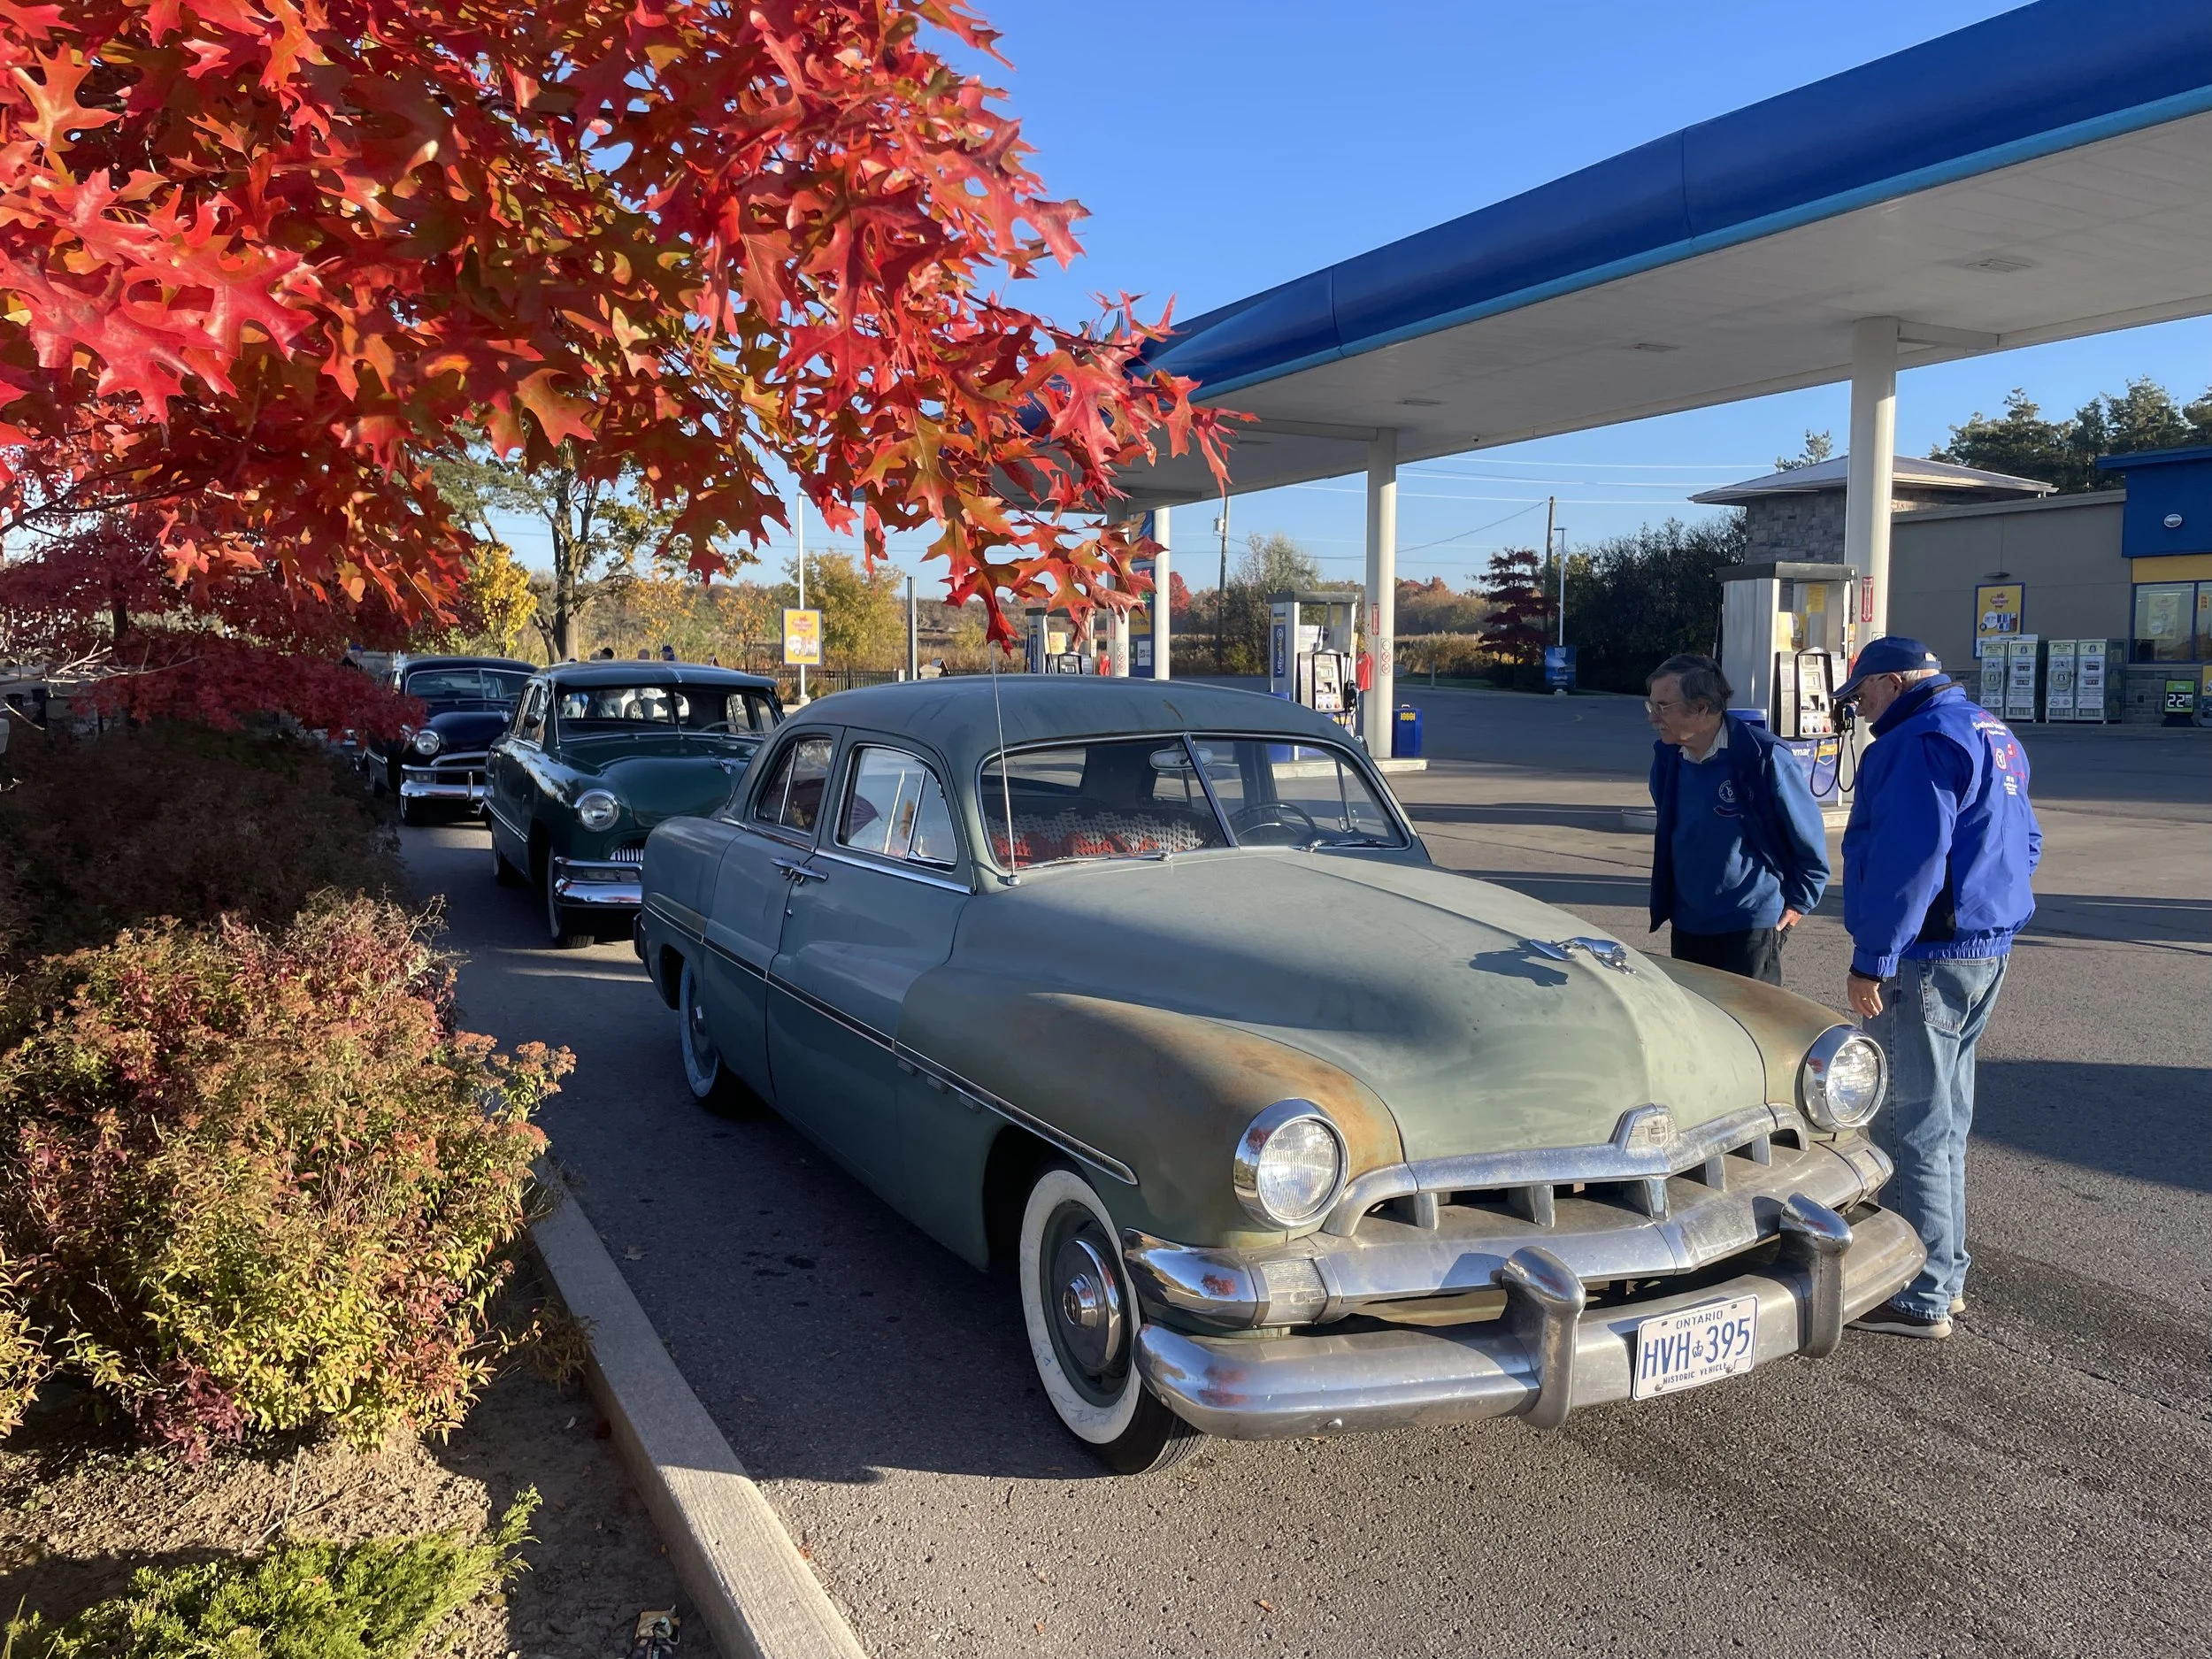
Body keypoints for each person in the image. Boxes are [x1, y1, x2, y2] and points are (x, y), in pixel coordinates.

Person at [1836, 637, 2040, 1341]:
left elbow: (1908, 859)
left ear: (1892, 684)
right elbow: (2027, 840)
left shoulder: (1916, 740)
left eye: (1861, 698)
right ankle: (1944, 1273)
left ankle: (1918, 1290)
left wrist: (1874, 957)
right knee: (1946, 1121)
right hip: (1985, 946)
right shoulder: (1991, 730)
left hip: (1928, 954)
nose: (1859, 714)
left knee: (1908, 1121)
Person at [1645, 654, 1830, 984]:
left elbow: (1809, 840)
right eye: (1652, 707)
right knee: (1699, 1024)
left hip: (1749, 925)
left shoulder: (1763, 757)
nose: (1654, 718)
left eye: (1663, 707)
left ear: (1701, 707)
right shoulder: (1669, 759)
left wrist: (1800, 901)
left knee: (1749, 1028)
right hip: (1688, 922)